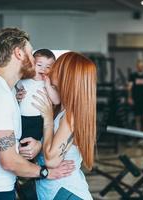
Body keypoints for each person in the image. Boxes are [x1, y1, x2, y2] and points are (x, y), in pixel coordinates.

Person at [0, 28, 74, 200]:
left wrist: (34, 146)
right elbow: (9, 161)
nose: (33, 59)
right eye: (31, 54)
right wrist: (46, 172)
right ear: (18, 53)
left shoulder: (6, 91)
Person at [33, 52, 96, 200]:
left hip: (66, 193)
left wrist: (48, 120)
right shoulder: (61, 107)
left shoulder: (71, 115)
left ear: (66, 75)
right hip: (55, 192)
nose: (51, 70)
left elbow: (52, 161)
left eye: (57, 67)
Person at [16, 48, 59, 143]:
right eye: (39, 65)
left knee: (37, 142)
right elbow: (15, 94)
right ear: (31, 65)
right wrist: (17, 96)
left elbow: (57, 101)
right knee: (21, 142)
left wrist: (48, 85)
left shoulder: (50, 84)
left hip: (40, 119)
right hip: (21, 118)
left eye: (48, 67)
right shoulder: (22, 81)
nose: (43, 69)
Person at [128, 59, 143, 132]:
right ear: (137, 67)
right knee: (137, 117)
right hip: (136, 99)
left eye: (142, 66)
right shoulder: (133, 76)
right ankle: (139, 135)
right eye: (139, 66)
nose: (140, 67)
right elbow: (129, 87)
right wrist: (129, 98)